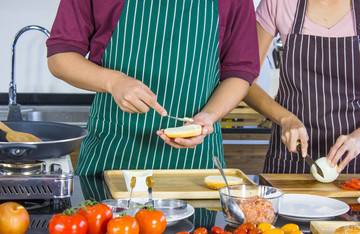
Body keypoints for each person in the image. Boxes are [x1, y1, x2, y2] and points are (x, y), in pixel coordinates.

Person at [46, 0, 260, 175]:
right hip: (112, 154)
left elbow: (240, 72)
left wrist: (209, 116)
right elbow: (60, 58)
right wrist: (114, 82)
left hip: (194, 163)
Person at [243, 0, 360, 174]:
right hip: (289, 156)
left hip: (354, 160)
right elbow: (244, 79)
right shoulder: (279, 3)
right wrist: (285, 119)